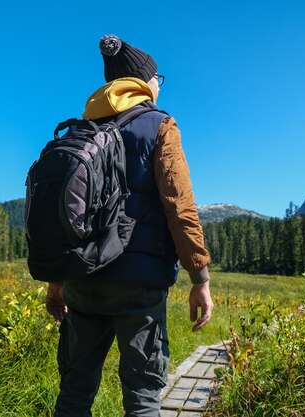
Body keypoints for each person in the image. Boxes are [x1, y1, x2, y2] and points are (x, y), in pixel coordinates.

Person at [45, 34, 213, 417]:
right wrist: (200, 279)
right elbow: (180, 207)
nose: (159, 84)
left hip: (82, 281)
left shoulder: (79, 132)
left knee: (74, 391)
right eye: (158, 78)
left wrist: (58, 283)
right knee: (142, 396)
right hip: (139, 286)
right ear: (143, 82)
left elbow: (62, 219)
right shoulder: (160, 125)